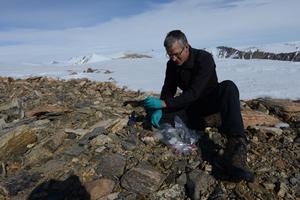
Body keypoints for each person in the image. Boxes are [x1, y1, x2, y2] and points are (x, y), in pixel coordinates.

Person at [143, 30, 255, 182]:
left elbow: (195, 92)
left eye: (177, 54)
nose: (174, 59)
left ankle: (236, 147)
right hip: (192, 107)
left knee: (229, 87)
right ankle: (211, 121)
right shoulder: (171, 65)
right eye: (170, 55)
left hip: (211, 102)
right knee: (164, 117)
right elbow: (168, 89)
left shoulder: (204, 59)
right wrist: (161, 108)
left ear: (186, 46)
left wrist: (165, 104)